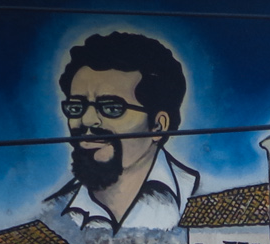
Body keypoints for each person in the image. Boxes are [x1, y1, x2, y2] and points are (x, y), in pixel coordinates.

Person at [47, 31, 201, 232]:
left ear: (158, 125)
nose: (87, 120)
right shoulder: (54, 212)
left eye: (111, 108)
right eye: (76, 108)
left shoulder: (197, 197)